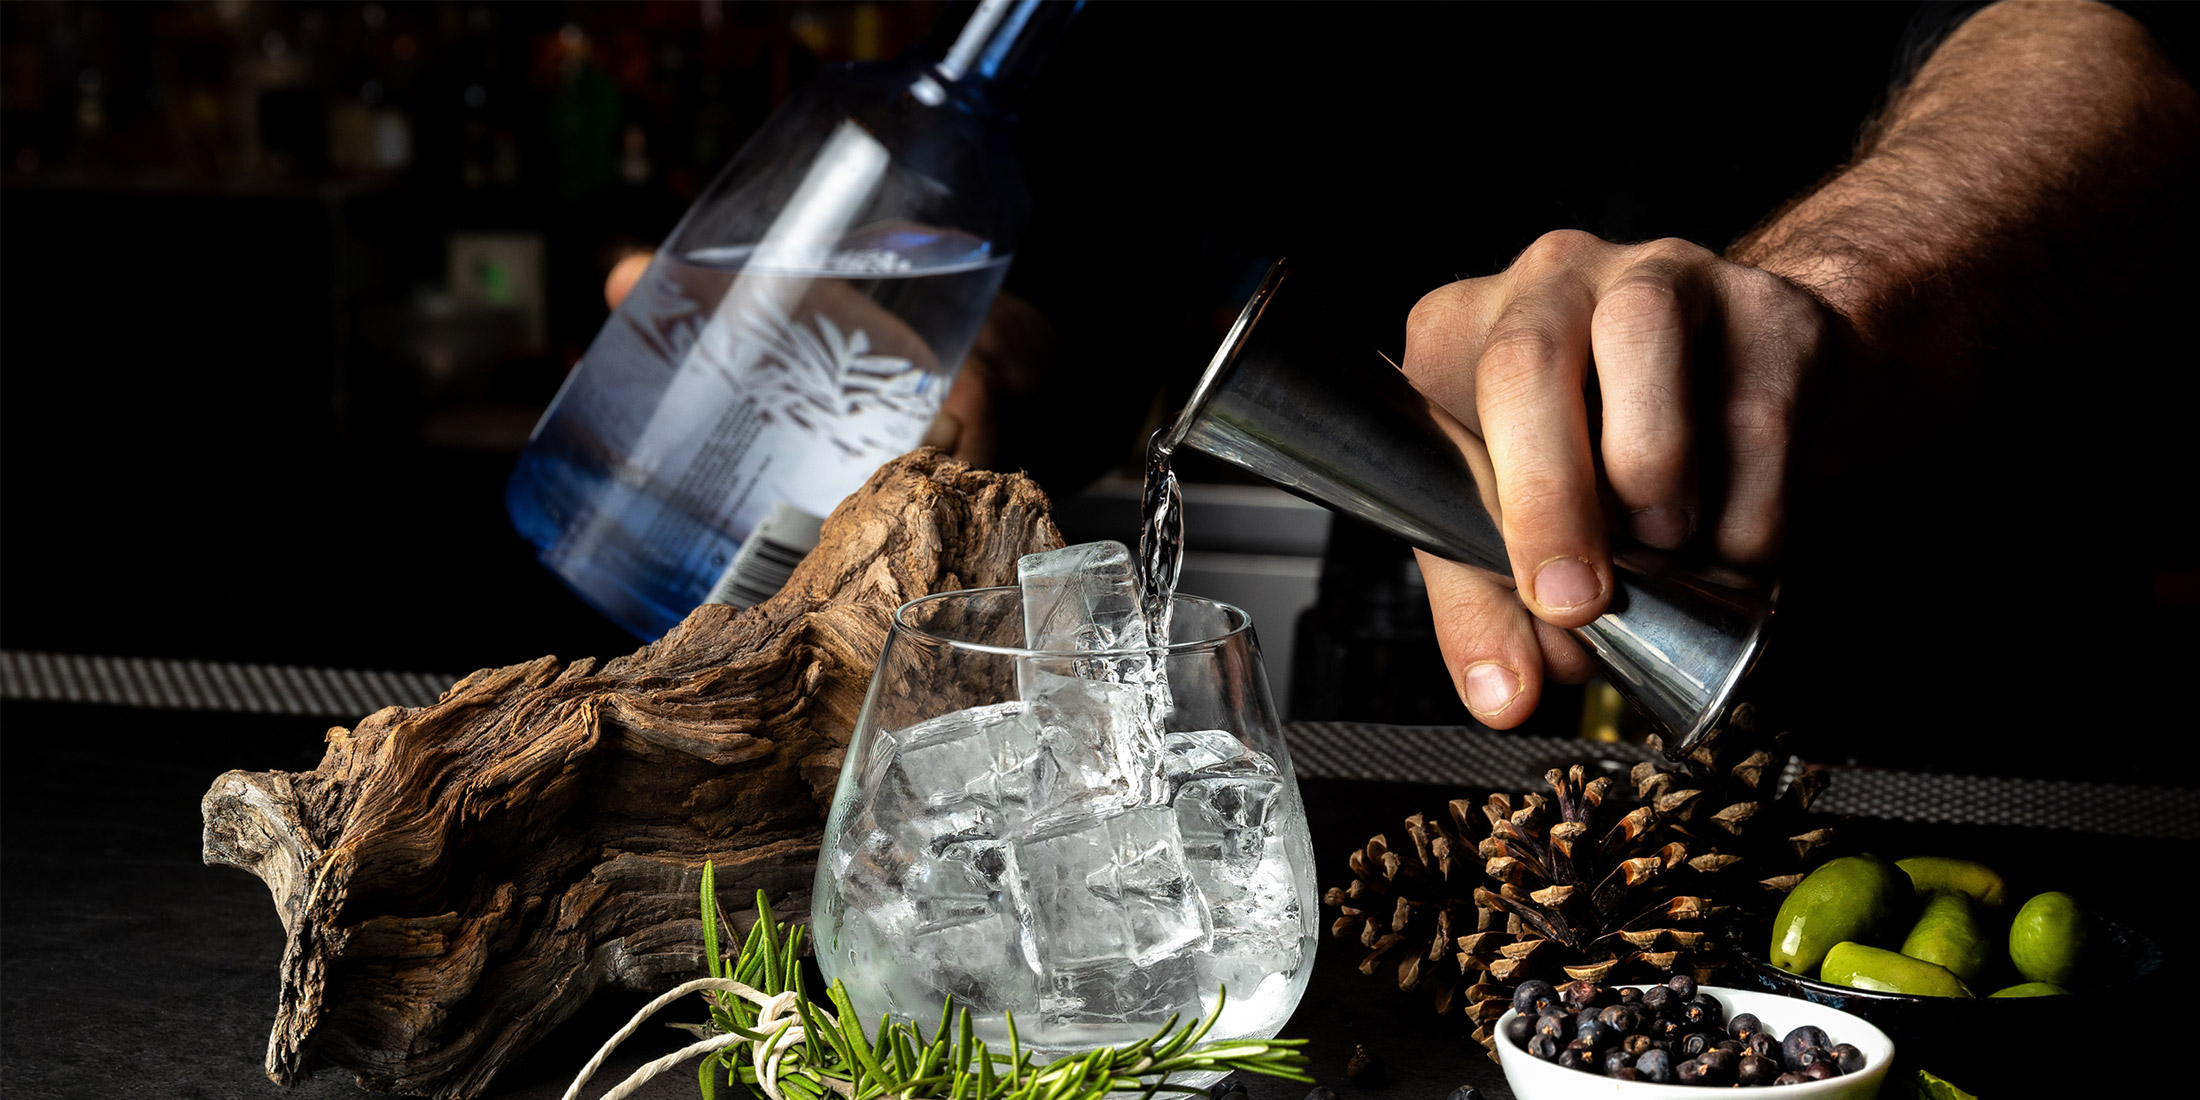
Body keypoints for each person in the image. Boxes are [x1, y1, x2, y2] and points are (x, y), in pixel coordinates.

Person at [611, 1, 2198, 773]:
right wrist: (949, 369)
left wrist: (1822, 295)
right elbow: (1091, 277)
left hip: (1963, 743)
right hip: (1413, 728)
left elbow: (2103, 54)